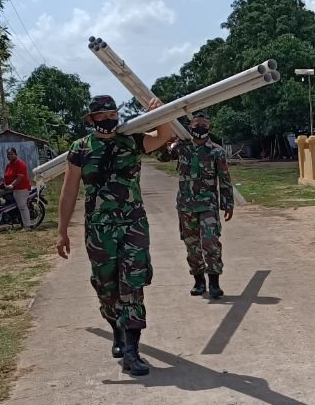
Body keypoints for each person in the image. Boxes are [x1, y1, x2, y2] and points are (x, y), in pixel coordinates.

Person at [56, 94, 173, 376]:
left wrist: (161, 113)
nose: (109, 120)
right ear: (91, 120)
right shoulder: (81, 148)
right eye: (103, 116)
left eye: (113, 115)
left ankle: (132, 352)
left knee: (132, 285)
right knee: (107, 288)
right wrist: (61, 231)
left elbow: (162, 137)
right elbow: (69, 190)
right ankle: (117, 330)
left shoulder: (131, 140)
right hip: (99, 230)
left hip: (133, 226)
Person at [160, 111, 233, 299]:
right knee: (191, 245)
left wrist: (228, 203)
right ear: (189, 127)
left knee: (210, 243)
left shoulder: (216, 151)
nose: (199, 128)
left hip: (208, 205)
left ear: (209, 128)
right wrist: (168, 138)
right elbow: (161, 156)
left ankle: (214, 283)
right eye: (195, 125)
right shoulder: (181, 148)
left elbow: (224, 179)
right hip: (185, 206)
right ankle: (199, 282)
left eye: (203, 125)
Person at [2, 147, 33, 228]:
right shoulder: (9, 165)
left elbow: (19, 177)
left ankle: (27, 226)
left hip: (21, 188)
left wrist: (11, 185)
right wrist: (3, 184)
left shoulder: (19, 163)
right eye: (8, 154)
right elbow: (5, 176)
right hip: (10, 188)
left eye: (11, 154)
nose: (10, 156)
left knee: (22, 206)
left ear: (16, 154)